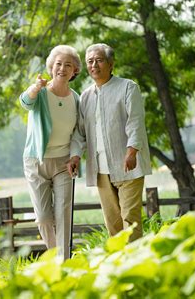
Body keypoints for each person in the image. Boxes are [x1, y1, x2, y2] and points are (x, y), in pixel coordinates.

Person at [68, 43, 151, 241]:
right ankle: (119, 266)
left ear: (111, 64)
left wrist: (132, 151)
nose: (94, 65)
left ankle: (137, 264)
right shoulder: (86, 96)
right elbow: (80, 132)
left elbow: (136, 122)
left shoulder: (128, 87)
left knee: (130, 219)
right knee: (113, 223)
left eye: (99, 60)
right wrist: (75, 156)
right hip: (101, 170)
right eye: (90, 61)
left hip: (128, 165)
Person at [20, 45, 81, 259]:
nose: (62, 68)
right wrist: (35, 88)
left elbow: (77, 133)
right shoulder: (41, 93)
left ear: (75, 71)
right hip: (37, 161)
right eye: (58, 64)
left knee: (63, 214)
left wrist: (75, 155)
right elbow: (25, 102)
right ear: (51, 67)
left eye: (68, 65)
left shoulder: (76, 98)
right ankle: (56, 256)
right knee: (44, 218)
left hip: (64, 162)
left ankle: (64, 263)